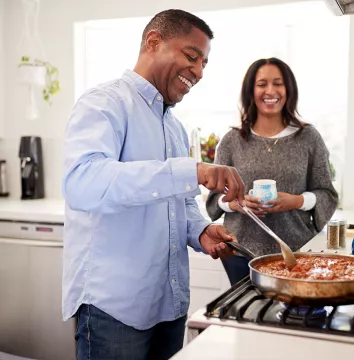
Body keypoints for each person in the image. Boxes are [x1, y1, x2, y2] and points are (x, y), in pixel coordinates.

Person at [62, 9, 245, 360]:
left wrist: (201, 231)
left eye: (204, 63)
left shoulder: (173, 126)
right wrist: (191, 171)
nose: (199, 71)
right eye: (192, 56)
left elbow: (181, 202)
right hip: (115, 309)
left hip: (169, 304)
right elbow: (83, 183)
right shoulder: (104, 103)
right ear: (153, 42)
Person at [206, 57, 338, 286]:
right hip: (240, 253)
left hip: (296, 253)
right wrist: (239, 204)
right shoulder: (231, 141)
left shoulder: (309, 138)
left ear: (289, 89)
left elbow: (327, 194)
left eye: (278, 83)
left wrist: (295, 201)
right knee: (246, 316)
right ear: (251, 90)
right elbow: (215, 200)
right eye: (261, 84)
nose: (270, 91)